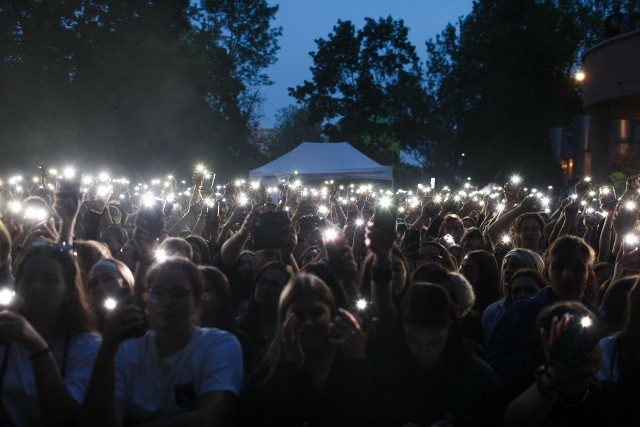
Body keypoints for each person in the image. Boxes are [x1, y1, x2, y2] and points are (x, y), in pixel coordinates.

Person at [79, 257, 243, 426]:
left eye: (179, 294)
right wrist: (107, 347)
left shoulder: (219, 345)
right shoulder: (127, 352)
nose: (167, 302)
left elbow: (208, 418)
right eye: (157, 293)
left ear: (197, 302)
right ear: (147, 301)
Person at [239, 273, 372, 426]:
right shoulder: (265, 363)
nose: (308, 322)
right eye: (298, 315)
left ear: (331, 314)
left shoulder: (347, 359)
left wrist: (357, 361)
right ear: (284, 317)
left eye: (317, 313)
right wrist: (290, 368)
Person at [1, 245, 100, 426]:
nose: (36, 287)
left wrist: (35, 344)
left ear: (68, 291)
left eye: (50, 280)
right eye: (29, 277)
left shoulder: (88, 347)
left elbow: (64, 417)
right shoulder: (4, 334)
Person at [375, 283, 498, 426]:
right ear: (402, 332)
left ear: (450, 330)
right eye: (413, 340)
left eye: (434, 342)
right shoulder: (386, 372)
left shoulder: (479, 377)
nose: (423, 350)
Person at [504, 302, 632, 426]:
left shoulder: (614, 398)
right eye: (568, 337)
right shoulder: (521, 390)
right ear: (544, 344)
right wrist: (553, 376)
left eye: (588, 336)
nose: (582, 347)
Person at [486, 236, 597, 379]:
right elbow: (495, 362)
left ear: (590, 278)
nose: (567, 275)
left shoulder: (596, 320)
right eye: (558, 267)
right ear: (546, 275)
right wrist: (542, 356)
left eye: (577, 268)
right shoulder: (521, 313)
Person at [482, 248, 545, 343]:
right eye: (505, 266)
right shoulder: (493, 312)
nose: (507, 270)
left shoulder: (549, 310)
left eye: (514, 265)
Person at [87, 258, 135, 330]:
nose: (99, 287)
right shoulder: (87, 325)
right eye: (93, 284)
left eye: (108, 279)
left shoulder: (139, 315)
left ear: (124, 281)